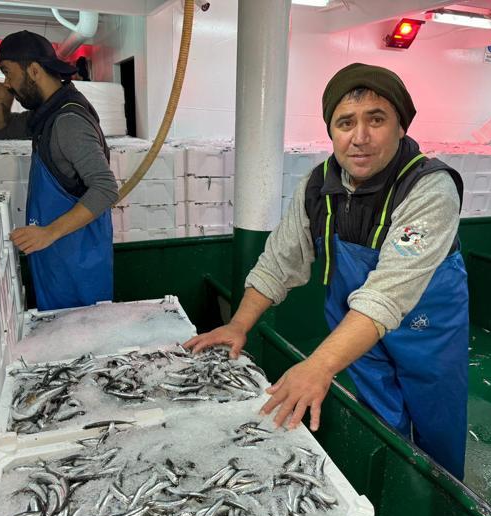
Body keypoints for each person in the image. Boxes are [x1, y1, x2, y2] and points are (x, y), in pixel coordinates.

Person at [185, 63, 469, 479]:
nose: (360, 137)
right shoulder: (318, 185)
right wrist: (239, 323)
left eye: (376, 120)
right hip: (358, 331)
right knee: (382, 423)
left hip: (427, 328)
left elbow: (386, 295)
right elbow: (279, 262)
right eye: (345, 123)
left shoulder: (429, 187)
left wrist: (318, 366)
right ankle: (391, 491)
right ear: (331, 131)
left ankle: (443, 509)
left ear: (401, 127)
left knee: (436, 426)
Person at [0, 30, 117, 311]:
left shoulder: (68, 121)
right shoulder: (47, 113)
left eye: (8, 74)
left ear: (33, 70)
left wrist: (49, 233)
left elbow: (105, 189)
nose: (7, 83)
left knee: (79, 333)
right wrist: (1, 96)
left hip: (77, 259)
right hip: (56, 254)